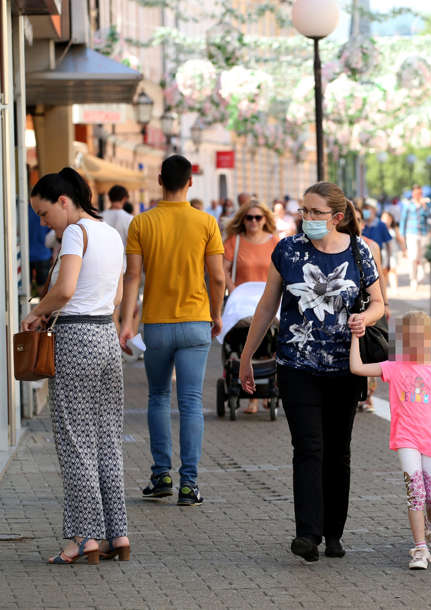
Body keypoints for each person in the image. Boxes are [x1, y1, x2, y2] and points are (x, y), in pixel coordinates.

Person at [237, 181, 384, 563]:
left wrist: (365, 318)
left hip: (345, 368)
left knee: (337, 451)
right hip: (296, 367)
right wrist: (247, 355)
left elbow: (379, 303)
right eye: (304, 210)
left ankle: (333, 533)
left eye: (316, 212)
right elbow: (266, 306)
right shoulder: (287, 250)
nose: (307, 218)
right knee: (307, 448)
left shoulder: (359, 250)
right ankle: (307, 534)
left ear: (337, 217)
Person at [24, 167, 128, 564]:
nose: (43, 222)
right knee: (106, 440)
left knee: (75, 442)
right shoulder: (111, 233)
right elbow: (116, 297)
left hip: (76, 337)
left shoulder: (75, 232)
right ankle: (117, 534)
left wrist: (37, 312)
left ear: (64, 201)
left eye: (44, 212)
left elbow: (65, 289)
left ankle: (83, 538)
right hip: (105, 336)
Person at [120, 155, 225, 507]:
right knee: (191, 402)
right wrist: (216, 314)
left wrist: (126, 322)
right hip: (196, 321)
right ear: (190, 182)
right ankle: (189, 485)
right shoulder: (206, 222)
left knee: (158, 397)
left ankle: (161, 475)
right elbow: (218, 277)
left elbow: (132, 277)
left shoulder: (142, 223)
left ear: (159, 180)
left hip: (157, 325)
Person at [349, 311, 431, 570]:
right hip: (406, 439)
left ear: (430, 338)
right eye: (409, 339)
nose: (414, 345)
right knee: (415, 491)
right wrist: (356, 337)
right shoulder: (394, 367)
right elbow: (357, 368)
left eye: (419, 338)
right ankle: (420, 549)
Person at [223, 201, 281, 414]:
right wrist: (233, 290)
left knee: (270, 341)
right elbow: (223, 270)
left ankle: (267, 387)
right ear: (243, 220)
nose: (254, 221)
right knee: (244, 340)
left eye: (258, 217)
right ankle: (252, 399)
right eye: (249, 217)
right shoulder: (234, 241)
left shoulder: (274, 242)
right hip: (242, 303)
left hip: (268, 300)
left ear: (265, 219)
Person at [351, 201, 391, 413]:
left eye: (358, 220)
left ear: (363, 223)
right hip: (352, 304)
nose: (355, 223)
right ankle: (357, 391)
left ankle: (368, 394)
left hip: (370, 304)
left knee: (371, 345)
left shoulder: (371, 246)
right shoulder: (342, 245)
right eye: (352, 219)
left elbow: (380, 277)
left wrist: (385, 303)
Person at [400, 186, 431, 291]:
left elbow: (430, 217)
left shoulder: (426, 204)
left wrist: (424, 206)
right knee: (413, 257)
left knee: (423, 257)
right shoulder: (408, 205)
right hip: (411, 233)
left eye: (420, 193)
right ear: (413, 194)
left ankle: (420, 276)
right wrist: (402, 235)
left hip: (424, 233)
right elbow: (403, 220)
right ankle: (413, 279)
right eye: (417, 193)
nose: (418, 195)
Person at [28, 205, 53, 295]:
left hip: (26, 255)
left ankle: (26, 303)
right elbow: (51, 233)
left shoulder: (23, 210)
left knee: (26, 286)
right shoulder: (44, 209)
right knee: (43, 287)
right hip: (43, 254)